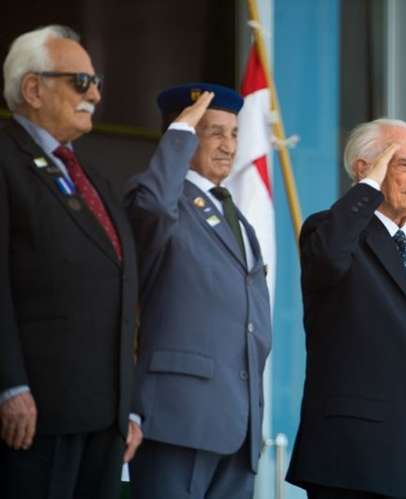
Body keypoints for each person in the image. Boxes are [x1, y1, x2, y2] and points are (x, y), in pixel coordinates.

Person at [0, 25, 141, 498]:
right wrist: (9, 387)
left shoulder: (93, 175)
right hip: (37, 413)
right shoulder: (5, 158)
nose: (96, 95)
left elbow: (121, 288)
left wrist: (131, 406)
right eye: (81, 82)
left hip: (105, 415)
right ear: (33, 88)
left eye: (96, 81)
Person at [125, 85, 272, 499]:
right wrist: (180, 132)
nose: (228, 146)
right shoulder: (159, 198)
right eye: (213, 133)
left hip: (237, 424)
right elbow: (152, 209)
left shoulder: (236, 217)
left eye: (234, 134)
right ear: (184, 134)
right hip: (178, 417)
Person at [286, 119, 406, 499]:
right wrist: (366, 191)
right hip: (352, 463)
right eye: (404, 164)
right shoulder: (329, 230)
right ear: (364, 169)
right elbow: (329, 259)